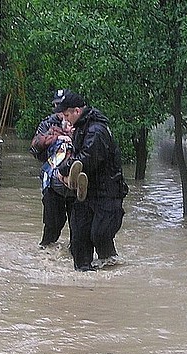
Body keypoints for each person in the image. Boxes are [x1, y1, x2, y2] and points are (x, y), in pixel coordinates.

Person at [54, 90, 127, 272]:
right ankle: (83, 274)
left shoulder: (96, 131)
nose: (65, 119)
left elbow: (87, 159)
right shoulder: (82, 127)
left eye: (67, 115)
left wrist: (63, 170)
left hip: (107, 193)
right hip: (86, 193)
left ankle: (109, 270)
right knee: (79, 237)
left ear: (77, 111)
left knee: (100, 235)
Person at [30, 89, 77, 248]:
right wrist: (55, 139)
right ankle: (46, 254)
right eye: (56, 105)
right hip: (51, 183)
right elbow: (35, 150)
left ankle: (73, 253)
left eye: (62, 106)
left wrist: (71, 137)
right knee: (52, 226)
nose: (59, 109)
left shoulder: (80, 124)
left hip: (75, 185)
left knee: (78, 228)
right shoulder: (47, 124)